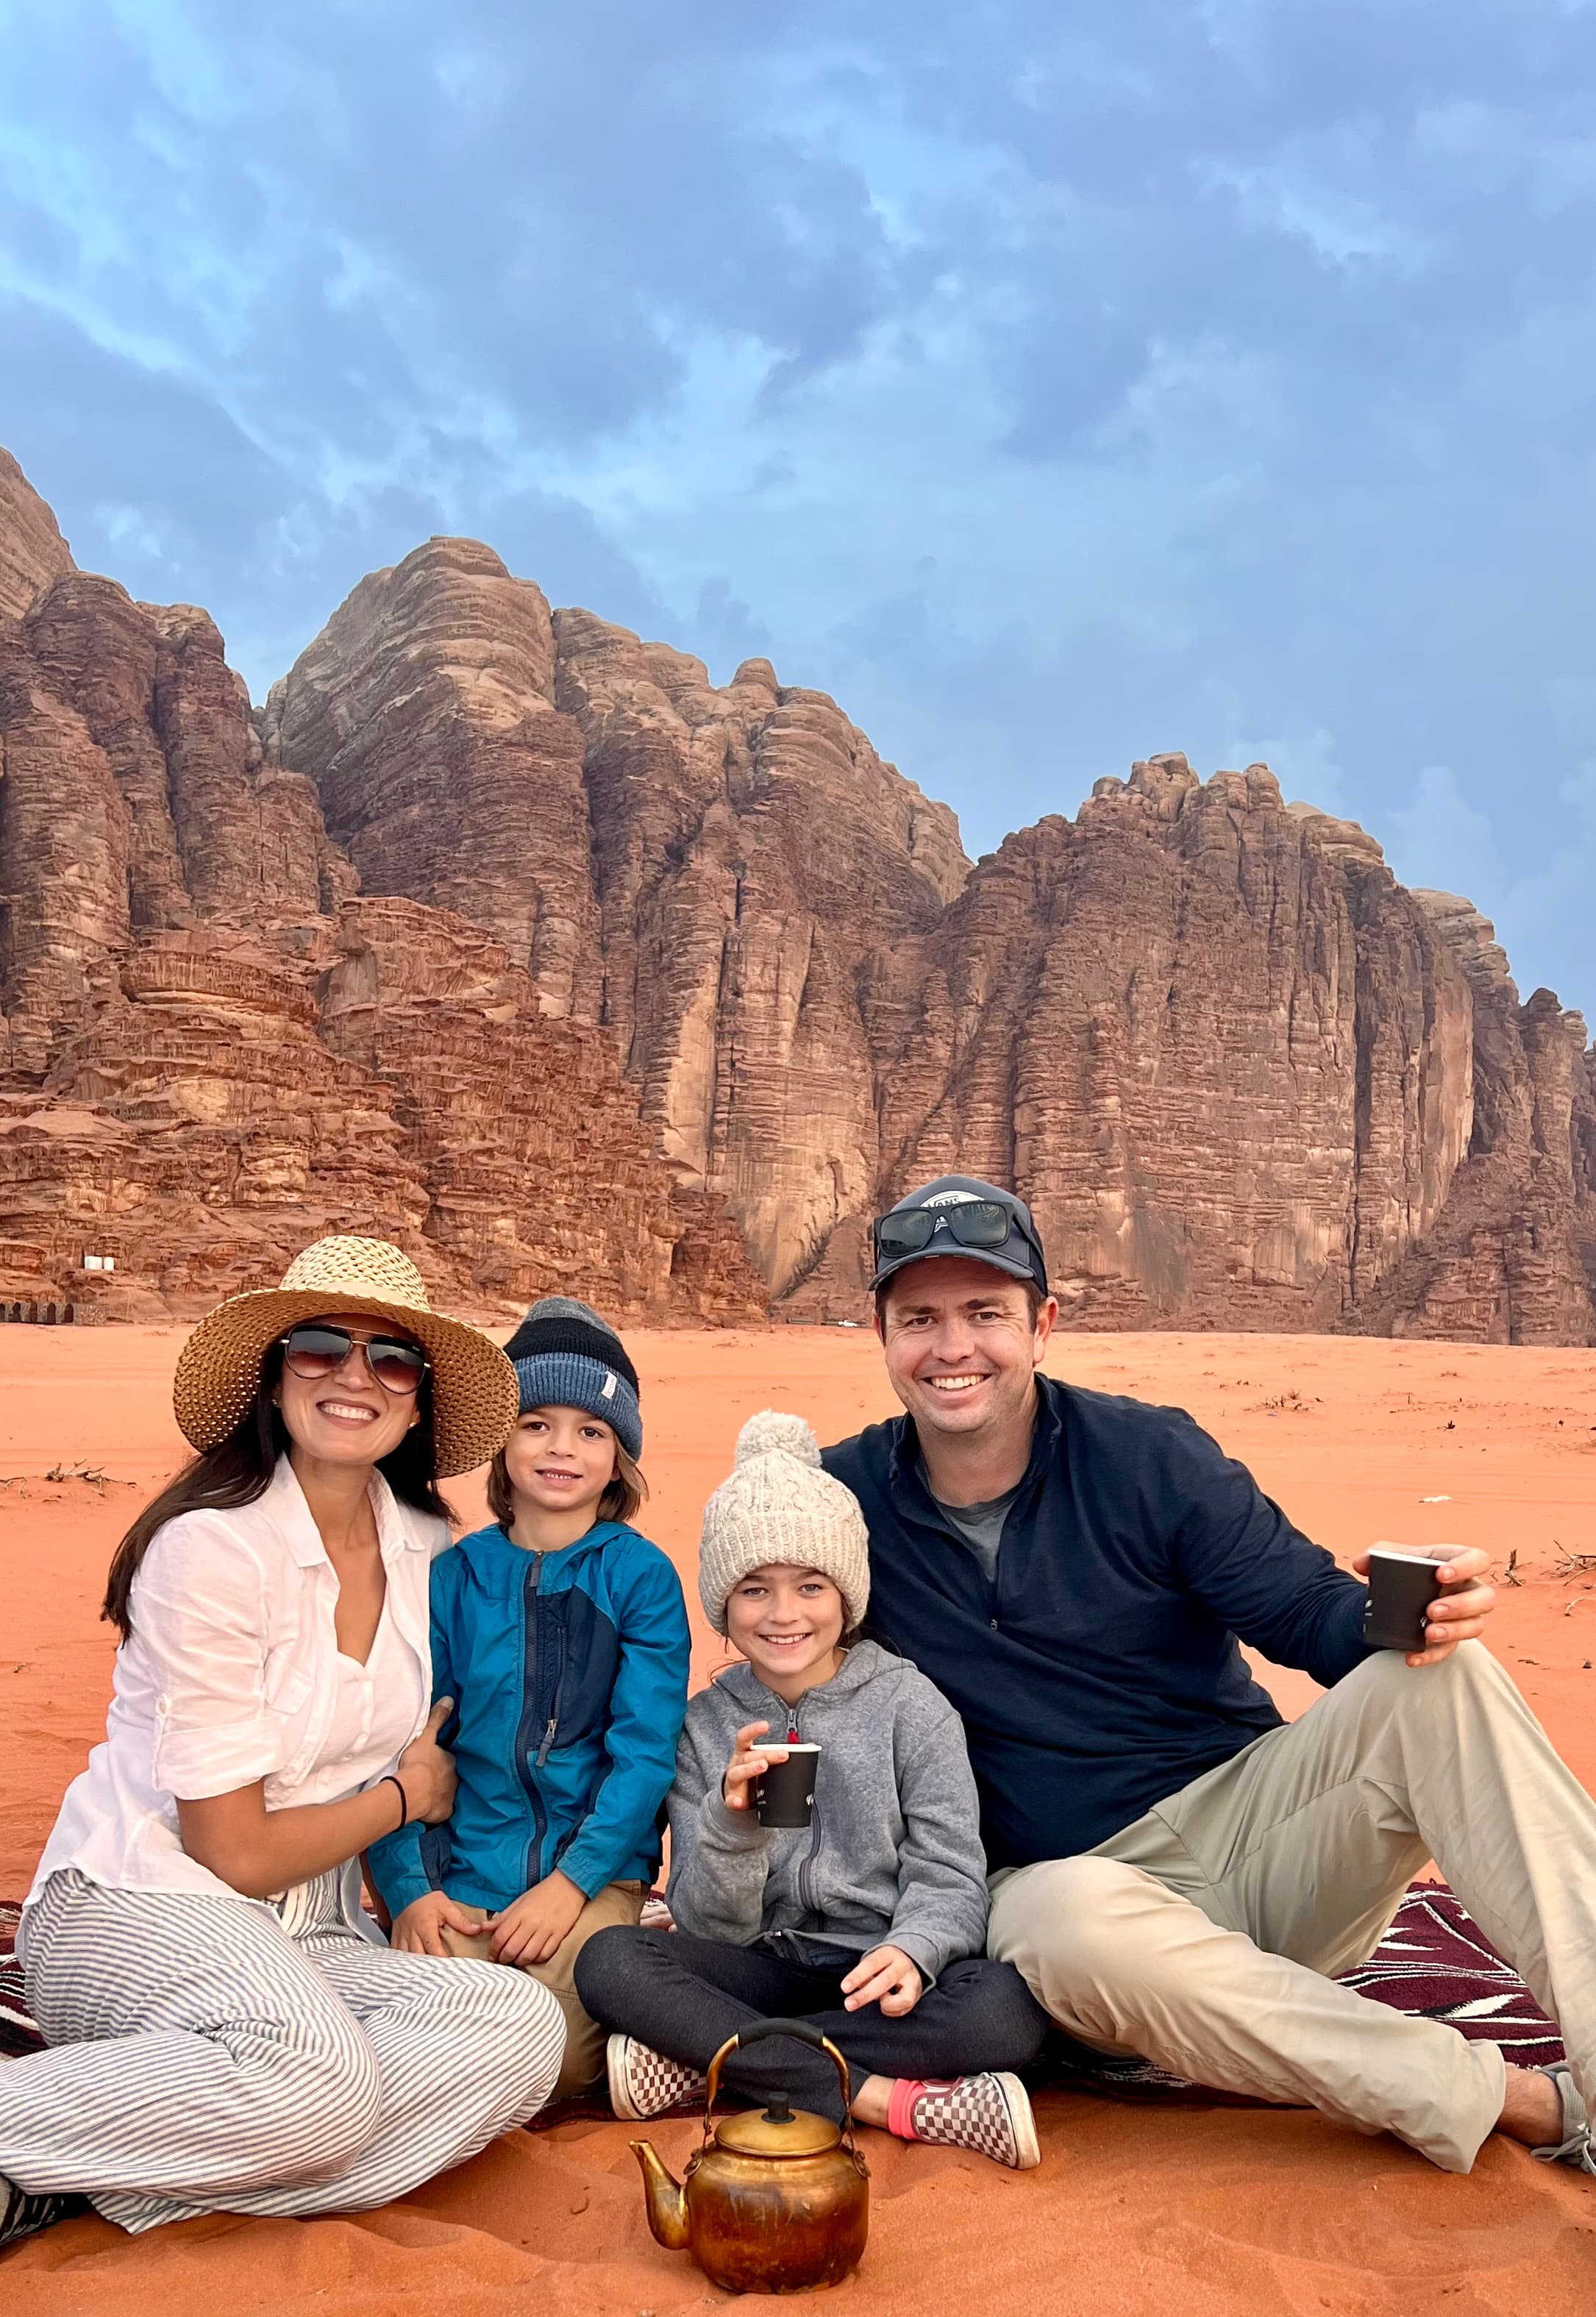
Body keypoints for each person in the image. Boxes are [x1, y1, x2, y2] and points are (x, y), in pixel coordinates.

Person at [820, 1175, 1596, 2179]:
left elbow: (1303, 1611)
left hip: (1253, 1835)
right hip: (1067, 1898)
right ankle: (1511, 2099)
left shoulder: (1148, 1457)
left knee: (1443, 1680)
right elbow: (784, 1649)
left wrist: (1410, 1608)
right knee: (1062, 1924)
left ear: (1042, 1326)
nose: (952, 1346)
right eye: (919, 1319)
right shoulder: (843, 1502)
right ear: (881, 1337)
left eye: (985, 1313)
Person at [0, 1235, 565, 2253]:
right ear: (274, 1377)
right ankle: (78, 2129)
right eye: (319, 1349)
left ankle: (92, 2166)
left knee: (515, 2027)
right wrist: (407, 1797)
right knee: (318, 2076)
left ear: (418, 1401)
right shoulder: (211, 1550)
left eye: (392, 1359)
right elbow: (232, 1851)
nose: (355, 1377)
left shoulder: (430, 1550)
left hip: (312, 1932)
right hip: (143, 1906)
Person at [575, 1411, 1052, 2169]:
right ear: (723, 1604)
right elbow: (707, 1926)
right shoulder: (704, 1726)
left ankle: (717, 2062)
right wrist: (733, 1830)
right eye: (754, 1589)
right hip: (759, 1968)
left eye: (810, 1585)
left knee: (1004, 2011)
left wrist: (914, 1950)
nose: (784, 1614)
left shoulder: (910, 1706)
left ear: (846, 1594)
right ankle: (881, 2098)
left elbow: (952, 1875)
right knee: (611, 1961)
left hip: (874, 1975)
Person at [367, 1298, 690, 2101]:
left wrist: (571, 1883)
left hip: (590, 1874)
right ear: (502, 1444)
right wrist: (410, 1893)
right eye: (536, 1424)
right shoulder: (452, 1577)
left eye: (591, 1432)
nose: (561, 1449)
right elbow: (401, 1742)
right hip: (461, 1867)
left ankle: (648, 2016)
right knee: (428, 2030)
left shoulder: (640, 1578)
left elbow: (644, 1754)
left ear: (619, 1459)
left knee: (553, 2058)